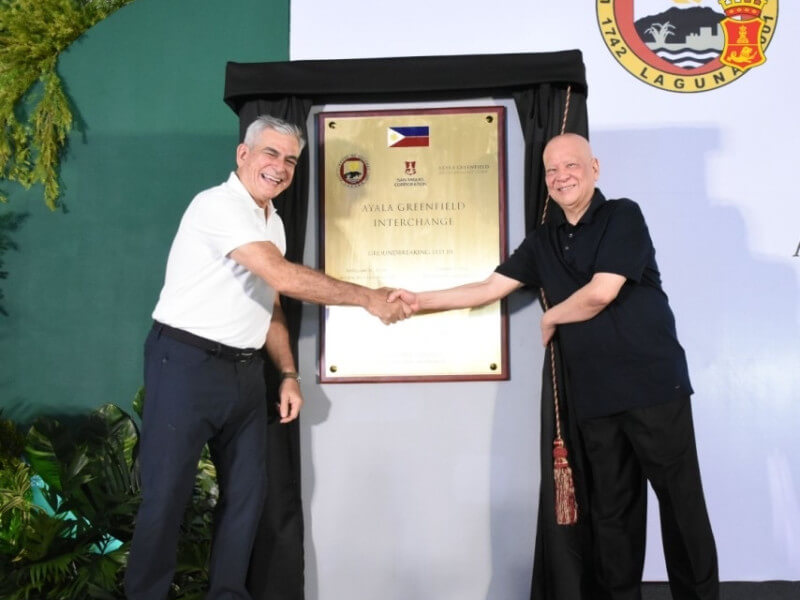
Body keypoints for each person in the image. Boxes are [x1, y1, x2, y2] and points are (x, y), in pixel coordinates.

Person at [389, 133, 719, 600]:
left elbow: (601, 292)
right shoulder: (544, 241)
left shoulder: (623, 215)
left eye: (572, 165)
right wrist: (419, 300)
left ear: (595, 168)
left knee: (681, 509)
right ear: (545, 181)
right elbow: (486, 289)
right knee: (612, 518)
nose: (562, 176)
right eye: (551, 170)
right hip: (596, 400)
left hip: (654, 390)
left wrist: (551, 314)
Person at [125, 115, 409, 600]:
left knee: (247, 501)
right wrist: (367, 297)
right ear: (243, 155)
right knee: (166, 499)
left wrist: (289, 373)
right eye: (271, 154)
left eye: (290, 160)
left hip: (244, 373)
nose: (280, 168)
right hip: (185, 365)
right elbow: (282, 278)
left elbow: (270, 301)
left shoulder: (271, 221)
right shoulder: (215, 205)